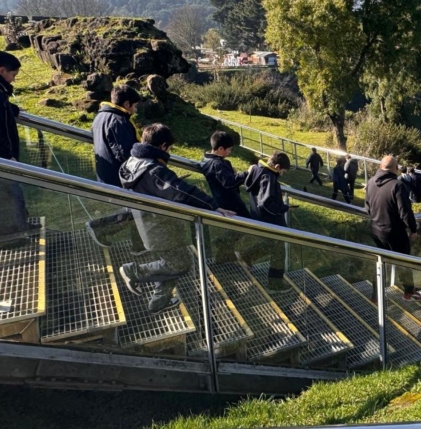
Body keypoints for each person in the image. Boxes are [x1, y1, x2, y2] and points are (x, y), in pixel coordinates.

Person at [117, 124, 235, 314]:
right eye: (169, 148)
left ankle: (159, 302)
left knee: (174, 261)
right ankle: (133, 271)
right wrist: (212, 206)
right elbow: (181, 191)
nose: (169, 152)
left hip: (149, 222)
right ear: (162, 146)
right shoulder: (153, 169)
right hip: (159, 226)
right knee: (180, 263)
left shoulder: (133, 160)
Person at [365, 155, 421, 302]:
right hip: (394, 232)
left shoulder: (371, 182)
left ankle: (376, 295)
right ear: (396, 169)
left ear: (380, 167)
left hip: (376, 230)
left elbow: (367, 207)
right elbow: (405, 212)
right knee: (403, 262)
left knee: (380, 262)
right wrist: (413, 229)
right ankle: (409, 292)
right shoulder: (397, 185)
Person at [244, 151, 293, 292]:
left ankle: (248, 255)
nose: (282, 174)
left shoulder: (257, 170)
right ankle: (275, 283)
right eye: (282, 171)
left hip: (259, 217)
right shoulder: (269, 177)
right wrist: (283, 208)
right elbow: (266, 203)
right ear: (277, 167)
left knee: (271, 244)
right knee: (278, 250)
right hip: (270, 220)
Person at [0, 51, 29, 241]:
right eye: (13, 75)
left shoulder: (1, 93)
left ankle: (19, 226)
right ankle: (14, 235)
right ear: (2, 71)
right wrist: (7, 155)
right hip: (2, 159)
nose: (14, 80)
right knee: (10, 193)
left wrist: (12, 109)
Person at [91, 84, 141, 187]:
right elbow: (125, 154)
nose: (135, 110)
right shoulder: (119, 121)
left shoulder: (99, 116)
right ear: (127, 104)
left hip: (104, 177)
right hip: (117, 181)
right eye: (135, 106)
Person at [200, 131, 250, 217]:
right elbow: (229, 182)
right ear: (220, 149)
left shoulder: (206, 160)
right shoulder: (218, 164)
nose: (230, 152)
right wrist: (247, 173)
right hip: (231, 205)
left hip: (221, 202)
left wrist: (228, 169)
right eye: (229, 149)